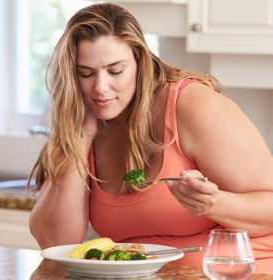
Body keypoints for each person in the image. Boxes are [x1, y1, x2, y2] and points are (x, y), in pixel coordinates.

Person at [28, 3, 273, 273]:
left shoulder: (193, 107)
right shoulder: (85, 122)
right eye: (85, 73)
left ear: (140, 61)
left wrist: (214, 204)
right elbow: (56, 243)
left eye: (115, 71)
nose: (100, 88)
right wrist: (80, 135)